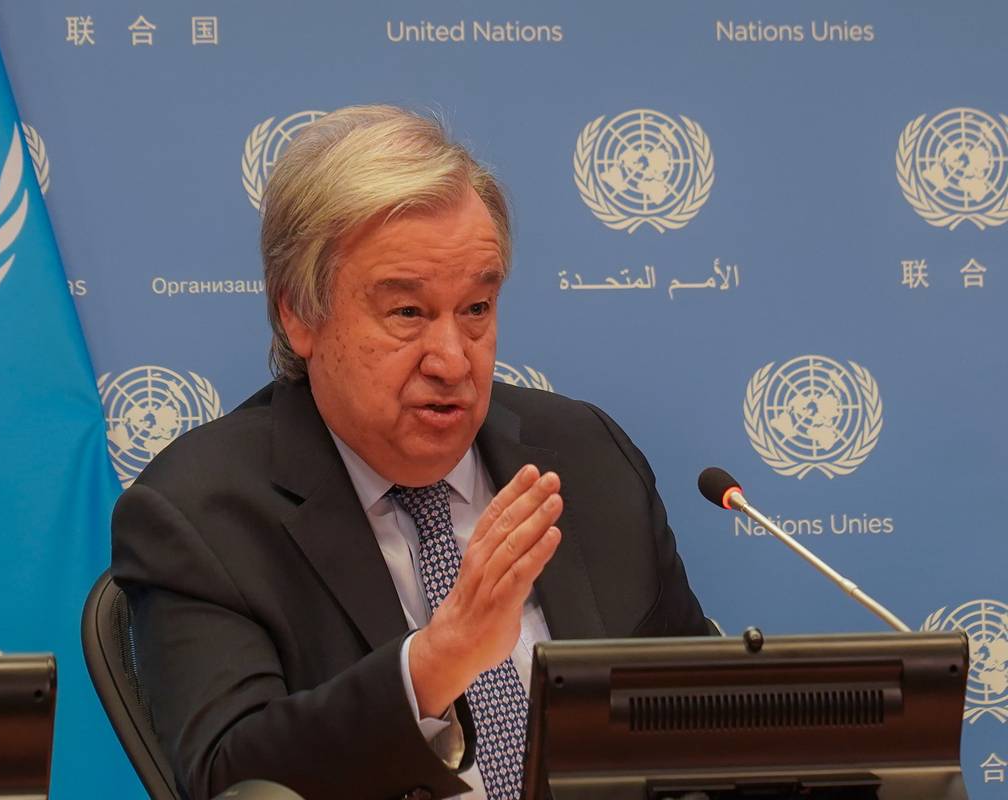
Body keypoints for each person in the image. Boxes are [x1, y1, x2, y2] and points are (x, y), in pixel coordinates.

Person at [112, 105, 711, 800]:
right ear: (298, 315)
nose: (454, 361)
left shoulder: (585, 459)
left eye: (477, 310)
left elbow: (696, 726)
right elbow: (232, 779)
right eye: (407, 314)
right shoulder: (200, 515)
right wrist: (434, 664)